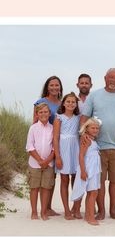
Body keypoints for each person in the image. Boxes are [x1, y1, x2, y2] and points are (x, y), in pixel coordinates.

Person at [80, 68, 115, 220]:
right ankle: (101, 211)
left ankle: (113, 211)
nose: (113, 80)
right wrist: (83, 135)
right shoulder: (94, 95)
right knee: (99, 181)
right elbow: (84, 117)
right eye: (110, 77)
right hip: (97, 147)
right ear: (105, 78)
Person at [33, 75, 63, 216]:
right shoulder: (41, 102)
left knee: (52, 178)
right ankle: (42, 209)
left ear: (60, 87)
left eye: (57, 85)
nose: (54, 87)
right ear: (47, 87)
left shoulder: (62, 104)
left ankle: (48, 207)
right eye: (51, 85)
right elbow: (34, 123)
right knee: (40, 178)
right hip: (42, 144)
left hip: (57, 143)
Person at [53, 92, 80, 220]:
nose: (70, 104)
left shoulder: (79, 118)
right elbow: (55, 138)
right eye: (68, 101)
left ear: (76, 104)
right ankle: (66, 210)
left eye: (73, 102)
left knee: (76, 179)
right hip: (63, 149)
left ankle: (76, 207)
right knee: (64, 180)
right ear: (63, 103)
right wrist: (57, 156)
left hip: (75, 148)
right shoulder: (59, 118)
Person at [26, 103, 55, 220]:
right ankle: (34, 212)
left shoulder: (52, 128)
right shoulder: (33, 128)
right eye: (41, 112)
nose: (43, 114)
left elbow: (54, 147)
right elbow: (29, 146)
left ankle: (44, 212)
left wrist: (47, 160)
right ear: (37, 114)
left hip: (49, 164)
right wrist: (39, 160)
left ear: (49, 113)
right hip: (34, 163)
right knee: (34, 188)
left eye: (45, 112)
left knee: (46, 188)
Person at [72, 117, 101, 226]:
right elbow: (81, 155)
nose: (95, 130)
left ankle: (89, 215)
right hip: (88, 168)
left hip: (94, 169)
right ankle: (90, 217)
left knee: (93, 192)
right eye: (93, 128)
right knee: (92, 192)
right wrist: (83, 171)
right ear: (87, 128)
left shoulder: (91, 139)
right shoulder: (86, 139)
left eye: (97, 128)